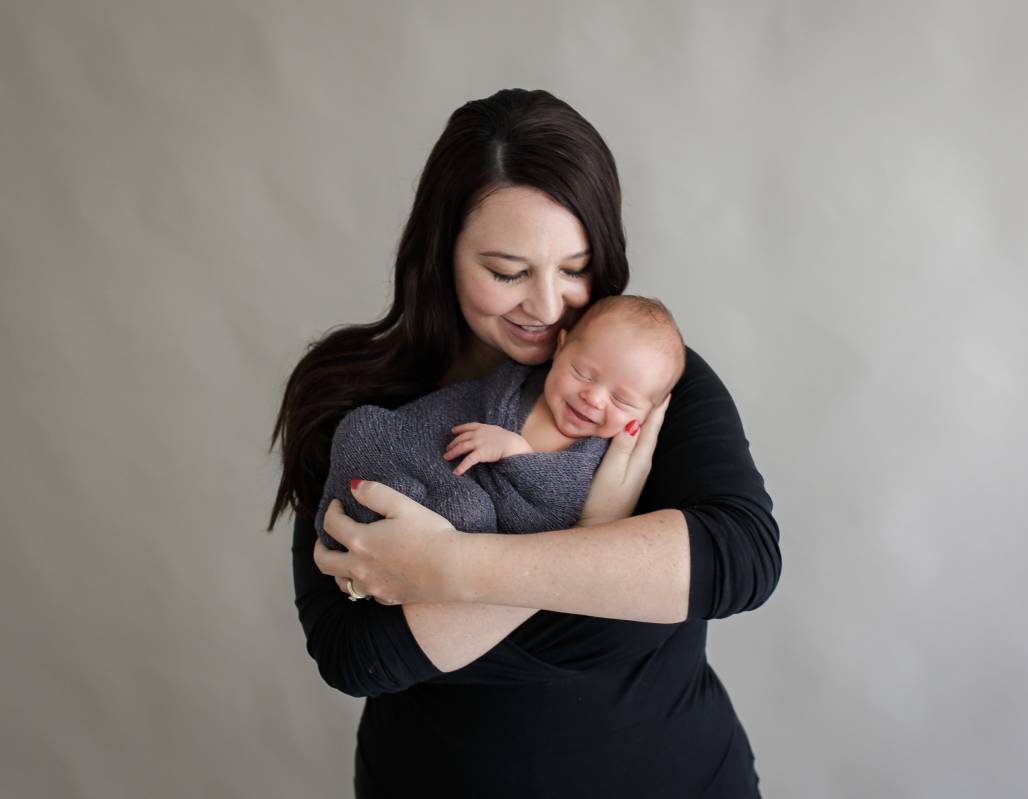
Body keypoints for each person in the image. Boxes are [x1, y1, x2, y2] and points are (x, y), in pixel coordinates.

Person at [268, 88, 781, 798]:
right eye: (507, 271)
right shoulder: (359, 398)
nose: (545, 307)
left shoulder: (640, 379)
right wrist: (595, 539)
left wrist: (445, 566)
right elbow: (354, 655)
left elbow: (741, 558)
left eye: (575, 268)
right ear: (442, 253)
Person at [313, 295, 686, 555]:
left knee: (467, 511)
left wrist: (516, 454)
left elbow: (552, 520)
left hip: (458, 513)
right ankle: (367, 509)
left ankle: (387, 524)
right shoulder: (515, 383)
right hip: (419, 457)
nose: (594, 398)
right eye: (582, 373)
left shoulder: (592, 459)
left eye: (622, 400)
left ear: (649, 413)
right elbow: (443, 410)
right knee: (364, 425)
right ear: (561, 348)